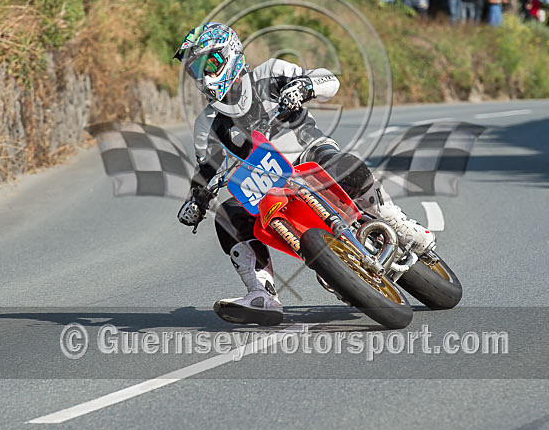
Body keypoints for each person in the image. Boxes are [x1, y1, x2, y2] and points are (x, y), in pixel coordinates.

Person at [174, 22, 437, 325]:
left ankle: (391, 216)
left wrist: (304, 87)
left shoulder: (270, 72)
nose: (205, 75)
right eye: (197, 70)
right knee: (227, 213)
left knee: (339, 161)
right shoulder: (206, 124)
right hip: (268, 183)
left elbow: (329, 81)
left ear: (231, 54)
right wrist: (197, 198)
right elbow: (206, 169)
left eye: (212, 63)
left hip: (309, 153)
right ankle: (261, 293)